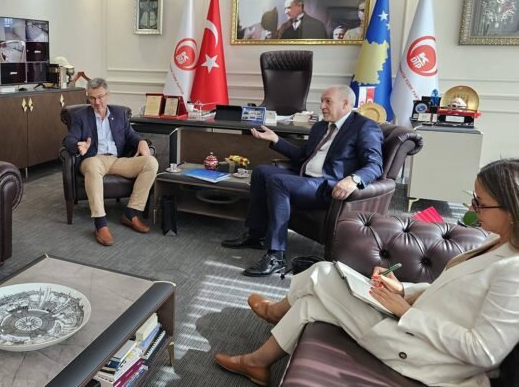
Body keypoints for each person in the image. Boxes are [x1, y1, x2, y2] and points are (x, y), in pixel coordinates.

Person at [215, 158, 519, 386]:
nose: (471, 207)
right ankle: (257, 363)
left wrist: (406, 313)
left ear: (512, 211)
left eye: (480, 203)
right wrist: (405, 290)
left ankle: (276, 312)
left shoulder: (513, 271)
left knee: (323, 273)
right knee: (312, 303)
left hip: (427, 355)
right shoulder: (496, 241)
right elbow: (453, 295)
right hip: (416, 327)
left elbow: (484, 352)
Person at [221, 85, 383, 276]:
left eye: (328, 101)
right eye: (321, 101)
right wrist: (276, 139)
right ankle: (256, 235)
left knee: (278, 182)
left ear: (345, 103)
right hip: (305, 179)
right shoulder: (321, 126)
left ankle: (276, 256)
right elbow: (302, 156)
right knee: (261, 171)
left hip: (327, 186)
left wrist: (354, 179)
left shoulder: (364, 127)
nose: (322, 106)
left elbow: (375, 164)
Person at [63, 78, 158, 246]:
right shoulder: (81, 116)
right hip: (93, 159)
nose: (97, 102)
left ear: (107, 95)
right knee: (93, 166)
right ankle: (100, 224)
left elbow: (131, 135)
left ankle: (131, 213)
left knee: (151, 163)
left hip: (116, 160)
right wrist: (79, 146)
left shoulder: (119, 114)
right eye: (92, 98)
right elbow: (69, 139)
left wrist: (141, 141)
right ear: (88, 97)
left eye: (100, 97)